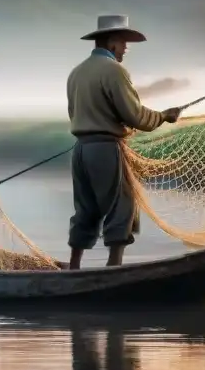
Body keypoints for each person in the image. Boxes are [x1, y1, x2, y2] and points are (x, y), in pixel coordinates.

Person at [66, 14, 182, 269]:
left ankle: (73, 267)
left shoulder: (76, 73)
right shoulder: (115, 71)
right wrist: (163, 116)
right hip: (106, 149)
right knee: (123, 205)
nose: (126, 48)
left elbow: (73, 113)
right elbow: (134, 115)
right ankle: (114, 268)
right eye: (123, 42)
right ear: (111, 42)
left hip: (81, 150)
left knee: (85, 208)